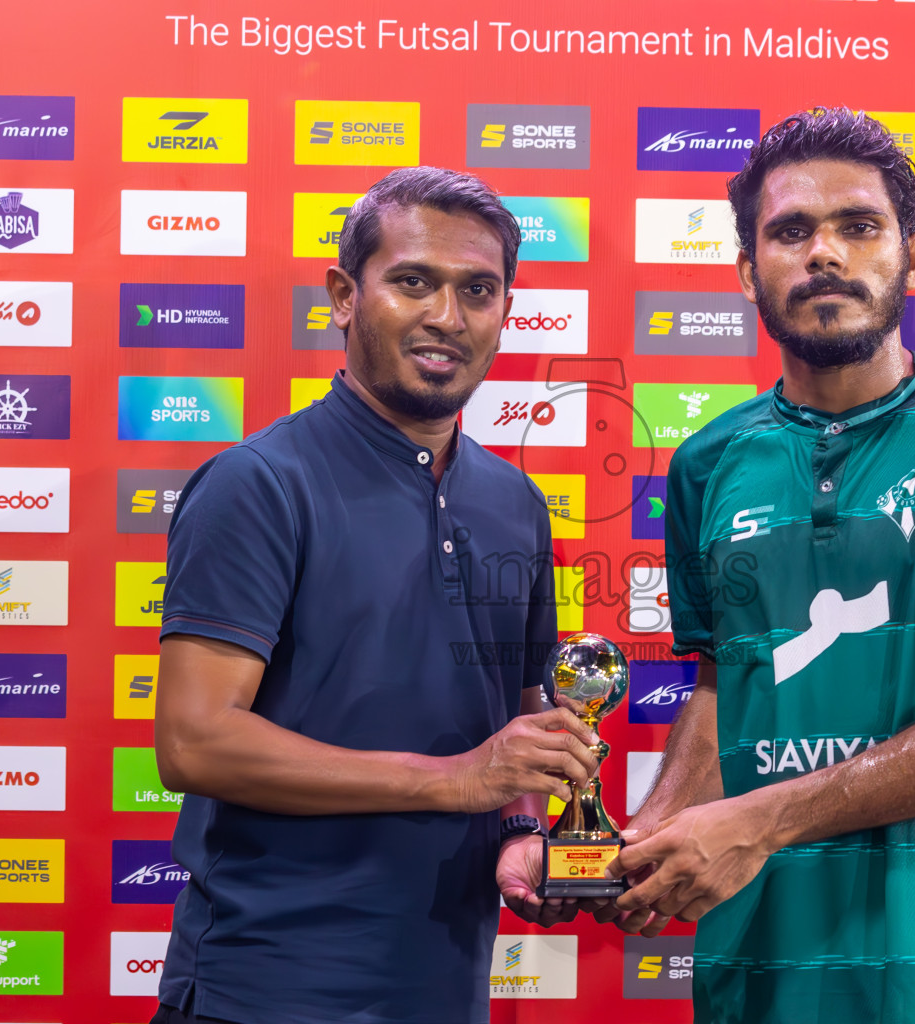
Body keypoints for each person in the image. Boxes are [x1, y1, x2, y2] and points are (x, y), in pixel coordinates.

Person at [604, 108, 915, 1024]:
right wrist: (640, 841)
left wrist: (757, 821)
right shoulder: (706, 463)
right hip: (760, 973)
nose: (824, 253)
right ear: (749, 269)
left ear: (914, 256)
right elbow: (722, 689)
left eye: (859, 226)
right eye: (791, 231)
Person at [149, 166, 597, 1024]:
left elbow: (525, 712)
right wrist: (456, 779)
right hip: (266, 987)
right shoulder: (259, 483)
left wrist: (520, 830)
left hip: (445, 985)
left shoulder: (517, 503)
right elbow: (193, 743)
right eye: (413, 282)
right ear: (343, 297)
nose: (447, 317)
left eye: (478, 290)